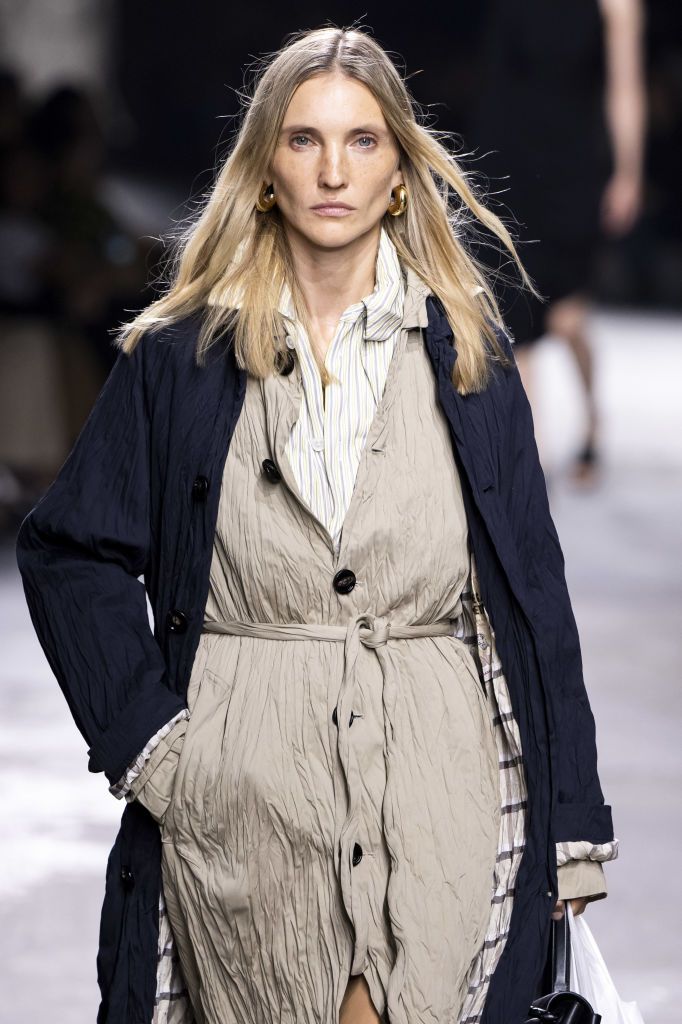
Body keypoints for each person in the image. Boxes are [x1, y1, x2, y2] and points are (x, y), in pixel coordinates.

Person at [15, 25, 618, 1024]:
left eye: (363, 142)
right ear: (263, 172)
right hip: (241, 798)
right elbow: (69, 546)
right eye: (303, 141)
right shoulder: (182, 359)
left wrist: (569, 829)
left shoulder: (468, 357)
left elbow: (531, 596)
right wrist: (155, 748)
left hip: (438, 784)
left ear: (398, 172)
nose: (333, 169)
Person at [469, 0, 646, 483]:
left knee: (567, 317)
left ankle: (592, 417)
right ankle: (531, 456)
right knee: (516, 311)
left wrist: (628, 171)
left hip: (575, 166)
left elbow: (624, 88)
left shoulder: (617, 6)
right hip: (510, 159)